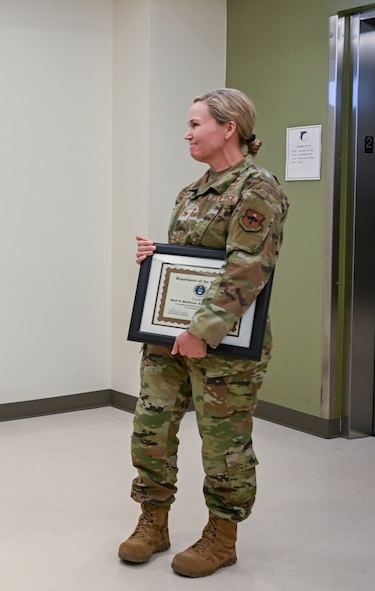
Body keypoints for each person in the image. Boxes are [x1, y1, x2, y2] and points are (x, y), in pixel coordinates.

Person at [117, 88, 289, 577]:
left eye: (196, 124)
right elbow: (194, 265)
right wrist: (156, 259)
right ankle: (153, 521)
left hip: (225, 346)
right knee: (150, 429)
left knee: (223, 444)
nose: (187, 133)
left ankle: (222, 536)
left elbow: (247, 268)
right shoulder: (192, 191)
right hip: (168, 339)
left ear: (228, 127)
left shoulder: (256, 187)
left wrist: (203, 331)